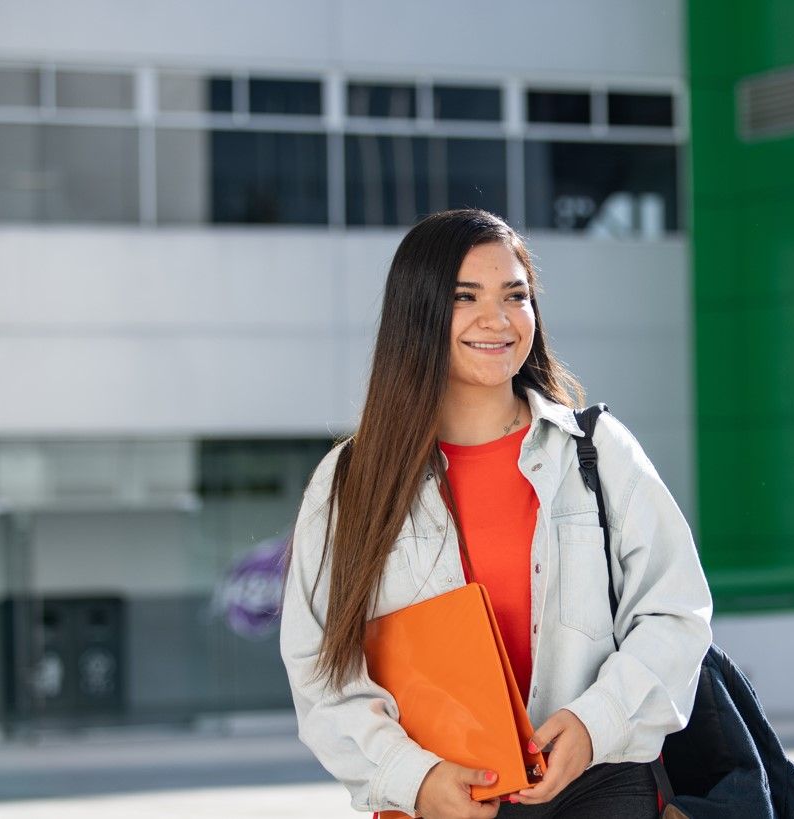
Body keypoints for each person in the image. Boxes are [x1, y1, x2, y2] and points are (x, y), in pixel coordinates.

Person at [279, 208, 713, 819]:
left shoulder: (596, 454)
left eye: (516, 295)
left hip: (599, 788)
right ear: (419, 313)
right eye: (466, 297)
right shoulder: (351, 483)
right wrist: (414, 777)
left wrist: (597, 724)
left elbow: (676, 613)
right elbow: (319, 668)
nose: (498, 319)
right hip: (432, 805)